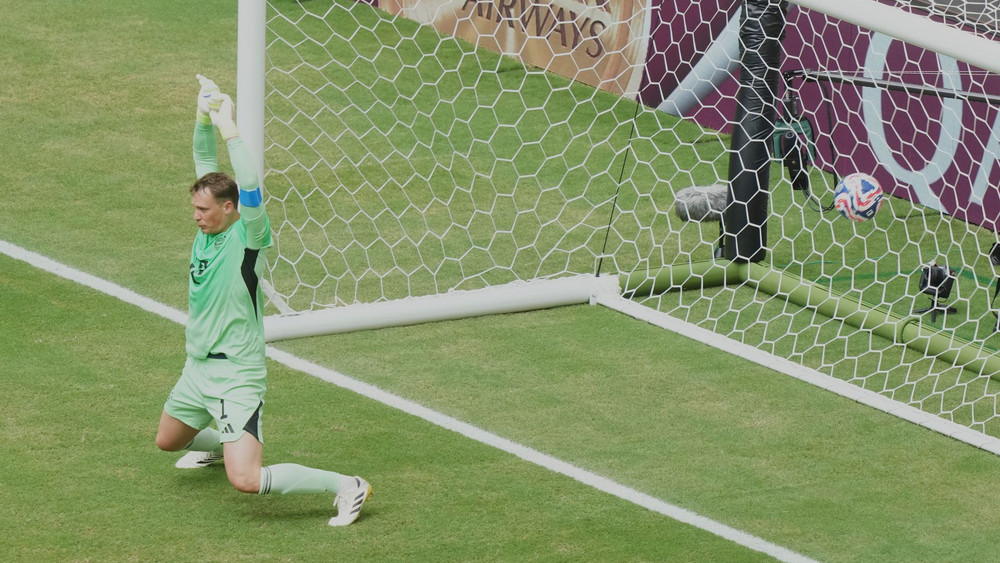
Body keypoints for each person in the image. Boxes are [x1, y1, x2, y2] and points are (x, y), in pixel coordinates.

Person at [155, 75, 371, 527]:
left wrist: (229, 128)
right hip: (198, 368)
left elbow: (250, 188)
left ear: (230, 208)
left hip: (236, 374)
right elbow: (202, 163)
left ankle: (346, 485)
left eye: (203, 210)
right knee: (168, 441)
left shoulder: (248, 238)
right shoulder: (207, 233)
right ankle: (221, 443)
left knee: (247, 480)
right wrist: (201, 115)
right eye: (194, 209)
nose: (195, 218)